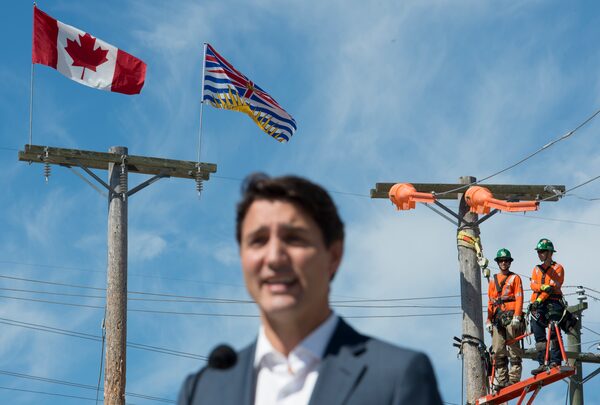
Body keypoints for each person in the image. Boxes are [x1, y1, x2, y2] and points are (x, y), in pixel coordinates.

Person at [178, 174, 443, 405]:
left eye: (294, 239)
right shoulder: (202, 390)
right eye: (258, 240)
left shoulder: (397, 376)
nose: (274, 258)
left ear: (333, 256)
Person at [485, 248, 524, 390]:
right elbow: (490, 302)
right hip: (497, 317)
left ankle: (513, 379)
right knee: (498, 349)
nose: (503, 263)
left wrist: (517, 316)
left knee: (513, 347)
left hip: (512, 315)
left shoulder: (515, 278)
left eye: (506, 261)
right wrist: (488, 320)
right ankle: (502, 380)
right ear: (498, 262)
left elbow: (519, 297)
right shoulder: (493, 281)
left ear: (509, 262)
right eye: (501, 261)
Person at [529, 238, 565, 376]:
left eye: (542, 251)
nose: (540, 254)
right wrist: (541, 289)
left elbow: (551, 287)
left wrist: (539, 298)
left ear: (550, 252)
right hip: (538, 304)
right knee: (538, 333)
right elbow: (533, 285)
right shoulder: (536, 269)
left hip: (553, 302)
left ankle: (555, 361)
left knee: (554, 332)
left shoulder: (558, 268)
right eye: (539, 251)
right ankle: (542, 363)